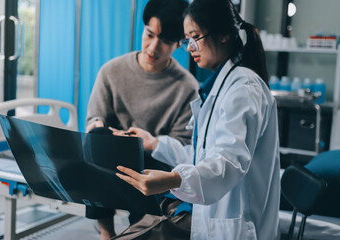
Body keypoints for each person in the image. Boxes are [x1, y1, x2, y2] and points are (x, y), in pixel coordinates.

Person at [115, 0, 281, 239]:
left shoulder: (243, 88)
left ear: (223, 34)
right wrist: (155, 143)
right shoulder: (221, 86)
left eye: (195, 37)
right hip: (212, 215)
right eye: (186, 40)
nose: (190, 47)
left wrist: (173, 179)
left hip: (236, 226)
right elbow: (201, 155)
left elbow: (227, 163)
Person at [85, 0, 198, 239]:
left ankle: (140, 232)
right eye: (149, 35)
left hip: (155, 165)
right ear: (144, 28)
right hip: (112, 159)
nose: (153, 48)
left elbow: (183, 148)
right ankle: (106, 233)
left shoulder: (186, 87)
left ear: (179, 44)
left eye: (166, 41)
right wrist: (99, 128)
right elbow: (95, 118)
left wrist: (152, 143)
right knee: (95, 140)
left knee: (148, 214)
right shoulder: (111, 71)